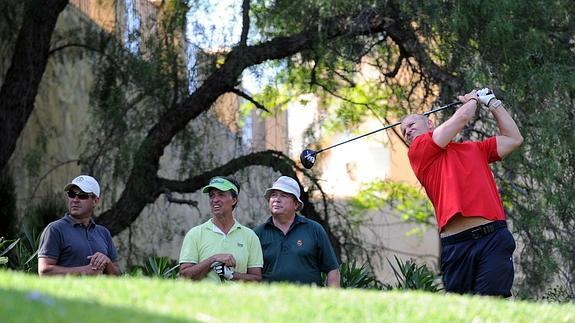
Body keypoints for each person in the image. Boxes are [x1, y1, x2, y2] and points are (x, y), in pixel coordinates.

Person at [400, 88, 523, 296]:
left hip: (493, 237)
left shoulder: (475, 149)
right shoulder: (418, 151)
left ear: (429, 123)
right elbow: (463, 117)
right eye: (404, 131)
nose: (407, 131)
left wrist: (492, 102)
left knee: (491, 304)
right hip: (457, 244)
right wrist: (473, 100)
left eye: (411, 125)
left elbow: (513, 139)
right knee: (460, 310)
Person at [254, 176, 340, 287]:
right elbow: (252, 275)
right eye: (273, 195)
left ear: (296, 204)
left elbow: (332, 269)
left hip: (308, 302)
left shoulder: (314, 229)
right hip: (271, 302)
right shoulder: (257, 234)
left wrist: (332, 300)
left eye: (284, 195)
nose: (276, 199)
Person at [178, 176, 263, 283]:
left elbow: (257, 280)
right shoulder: (195, 234)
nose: (215, 200)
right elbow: (184, 277)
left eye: (221, 195)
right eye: (211, 196)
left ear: (234, 200)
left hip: (238, 299)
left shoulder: (250, 236)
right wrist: (213, 259)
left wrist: (232, 275)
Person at [38, 175, 120, 276]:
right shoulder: (55, 229)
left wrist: (107, 262)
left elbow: (117, 276)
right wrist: (85, 271)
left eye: (82, 195)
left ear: (95, 201)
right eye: (71, 194)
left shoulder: (104, 233)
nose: (75, 200)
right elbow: (44, 271)